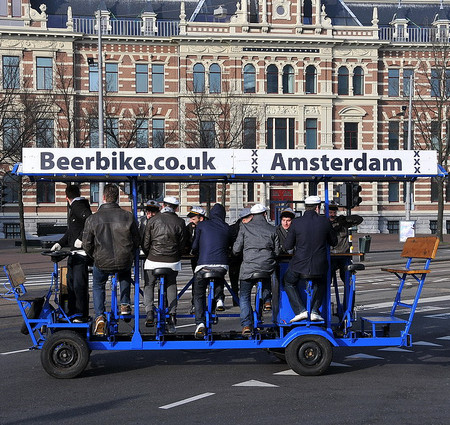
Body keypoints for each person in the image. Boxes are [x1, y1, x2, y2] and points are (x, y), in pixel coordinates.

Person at [83, 184, 140, 336]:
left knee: (98, 285)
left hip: (101, 261)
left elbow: (86, 244)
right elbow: (137, 240)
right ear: (117, 197)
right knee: (125, 274)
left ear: (103, 197)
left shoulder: (93, 218)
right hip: (123, 260)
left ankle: (100, 316)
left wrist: (94, 256)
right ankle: (125, 304)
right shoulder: (128, 216)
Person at [283, 195, 337, 323]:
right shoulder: (325, 222)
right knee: (323, 281)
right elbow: (334, 242)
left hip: (299, 265)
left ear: (305, 207)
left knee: (288, 282)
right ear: (317, 208)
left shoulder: (296, 222)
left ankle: (300, 310)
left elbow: (287, 246)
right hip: (319, 265)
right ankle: (314, 310)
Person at [233, 203, 281, 336]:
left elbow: (236, 249)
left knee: (244, 297)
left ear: (252, 215)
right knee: (267, 273)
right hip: (266, 266)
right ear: (265, 214)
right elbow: (277, 252)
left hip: (249, 266)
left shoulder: (244, 227)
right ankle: (266, 300)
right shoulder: (272, 229)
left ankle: (246, 325)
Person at [141, 196, 187, 333]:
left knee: (149, 284)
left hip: (153, 258)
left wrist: (149, 253)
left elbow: (145, 243)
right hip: (172, 260)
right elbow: (183, 243)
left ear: (163, 205)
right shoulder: (180, 222)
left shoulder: (153, 220)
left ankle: (149, 311)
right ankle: (172, 314)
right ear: (176, 208)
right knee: (171, 284)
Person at [51, 185, 92, 322]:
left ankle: (80, 314)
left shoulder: (77, 206)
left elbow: (89, 220)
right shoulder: (76, 206)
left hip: (80, 253)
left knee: (78, 285)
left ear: (66, 197)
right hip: (75, 253)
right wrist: (60, 243)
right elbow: (71, 231)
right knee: (72, 284)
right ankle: (74, 312)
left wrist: (81, 238)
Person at [191, 203, 232, 338]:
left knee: (199, 294)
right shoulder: (226, 227)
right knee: (219, 274)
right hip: (221, 264)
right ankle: (219, 298)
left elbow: (195, 245)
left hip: (204, 265)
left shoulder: (202, 225)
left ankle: (200, 323)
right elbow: (229, 245)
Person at [328, 202, 363, 284]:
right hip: (330, 255)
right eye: (330, 213)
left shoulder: (342, 222)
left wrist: (345, 219)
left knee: (347, 277)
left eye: (334, 213)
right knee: (328, 276)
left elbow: (359, 219)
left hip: (343, 255)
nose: (332, 215)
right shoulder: (323, 223)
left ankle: (349, 295)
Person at [229, 208, 253, 307]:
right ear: (244, 220)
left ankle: (236, 300)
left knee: (235, 281)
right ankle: (241, 300)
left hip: (234, 259)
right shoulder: (246, 229)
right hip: (241, 259)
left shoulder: (232, 228)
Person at [186, 206, 207, 314]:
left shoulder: (206, 227)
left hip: (205, 258)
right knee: (196, 280)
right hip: (195, 258)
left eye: (193, 219)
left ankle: (215, 302)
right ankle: (196, 303)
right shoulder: (190, 227)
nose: (191, 221)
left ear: (201, 218)